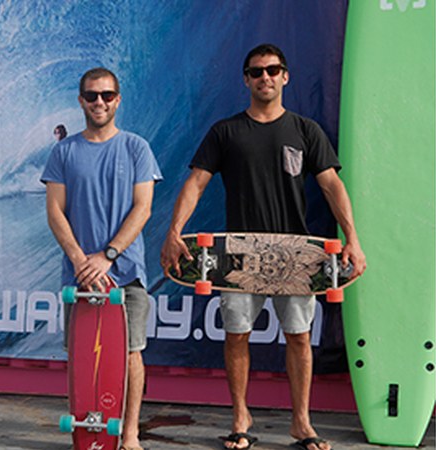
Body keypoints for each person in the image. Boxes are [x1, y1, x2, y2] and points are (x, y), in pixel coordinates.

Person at [160, 44, 366, 450]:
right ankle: (241, 416)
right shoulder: (226, 131)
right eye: (257, 72)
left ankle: (301, 423)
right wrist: (173, 231)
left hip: (296, 254)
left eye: (273, 70)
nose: (265, 77)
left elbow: (331, 185)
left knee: (299, 338)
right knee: (237, 335)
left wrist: (352, 239)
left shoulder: (305, 131)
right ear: (246, 80)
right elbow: (196, 183)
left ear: (285, 76)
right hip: (238, 254)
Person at [42, 67, 163, 450]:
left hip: (126, 272)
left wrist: (108, 256)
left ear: (118, 100)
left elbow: (143, 208)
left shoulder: (136, 148)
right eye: (92, 96)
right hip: (79, 277)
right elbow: (55, 212)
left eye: (107, 95)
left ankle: (130, 435)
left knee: (130, 354)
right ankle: (86, 435)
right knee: (83, 358)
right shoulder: (64, 151)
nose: (99, 102)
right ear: (81, 100)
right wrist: (81, 260)